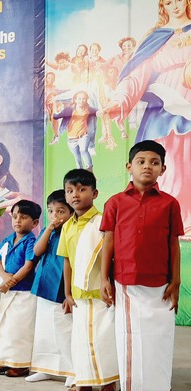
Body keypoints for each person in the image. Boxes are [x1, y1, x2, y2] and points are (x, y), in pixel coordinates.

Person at [100, 140, 184, 391]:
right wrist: (104, 279)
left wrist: (176, 280)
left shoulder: (170, 204)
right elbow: (108, 243)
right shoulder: (115, 202)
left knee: (159, 338)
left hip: (161, 282)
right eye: (141, 161)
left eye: (154, 162)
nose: (147, 166)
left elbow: (173, 243)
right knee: (130, 337)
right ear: (129, 166)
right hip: (126, 281)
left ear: (163, 169)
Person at [99, 0, 191, 232]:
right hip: (162, 105)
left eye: (178, 0)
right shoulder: (156, 37)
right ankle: (158, 221)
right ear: (162, 6)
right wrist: (120, 99)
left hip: (188, 99)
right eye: (168, 2)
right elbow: (136, 75)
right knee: (168, 158)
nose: (175, 6)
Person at [57, 169, 119, 391]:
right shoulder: (67, 226)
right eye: (70, 190)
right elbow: (67, 261)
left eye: (82, 189)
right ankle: (84, 379)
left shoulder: (102, 222)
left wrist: (107, 282)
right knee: (80, 340)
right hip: (78, 294)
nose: (75, 195)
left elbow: (112, 256)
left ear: (94, 193)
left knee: (104, 338)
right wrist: (67, 293)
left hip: (100, 292)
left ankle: (108, 380)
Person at [27, 190, 75, 385]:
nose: (55, 216)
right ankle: (44, 368)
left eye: (61, 211)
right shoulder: (48, 231)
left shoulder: (72, 230)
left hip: (62, 287)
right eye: (51, 211)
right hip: (44, 285)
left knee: (64, 330)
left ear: (71, 212)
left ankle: (72, 370)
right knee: (44, 329)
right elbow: (36, 252)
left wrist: (69, 293)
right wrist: (48, 230)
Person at [0, 200, 41, 378]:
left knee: (19, 329)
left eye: (23, 217)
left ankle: (21, 365)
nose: (18, 220)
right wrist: (5, 277)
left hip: (23, 293)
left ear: (34, 223)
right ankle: (5, 360)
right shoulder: (8, 239)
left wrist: (11, 282)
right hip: (7, 290)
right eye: (15, 216)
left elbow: (28, 266)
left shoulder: (31, 241)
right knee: (5, 327)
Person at [53, 91, 98, 171]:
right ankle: (80, 175)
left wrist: (101, 112)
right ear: (75, 100)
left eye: (83, 99)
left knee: (83, 150)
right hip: (72, 139)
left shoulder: (89, 109)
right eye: (79, 99)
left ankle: (90, 171)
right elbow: (56, 116)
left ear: (86, 99)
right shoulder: (69, 110)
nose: (81, 101)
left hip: (83, 135)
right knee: (78, 160)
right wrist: (54, 110)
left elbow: (97, 111)